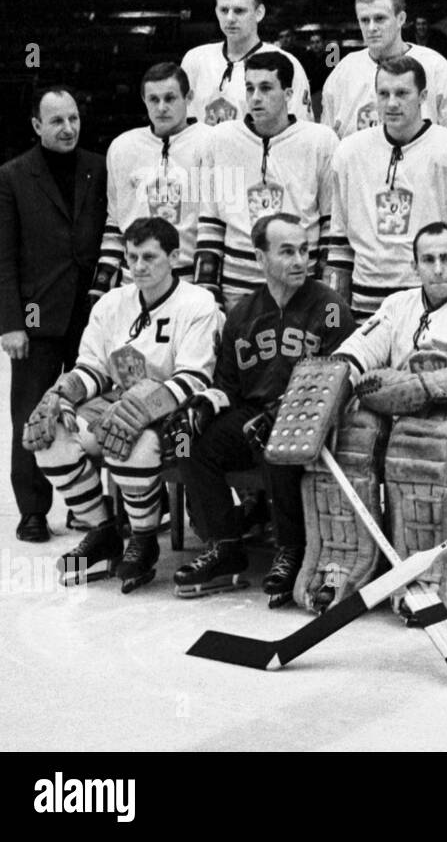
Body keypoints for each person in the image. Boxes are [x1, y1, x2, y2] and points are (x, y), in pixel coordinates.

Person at [319, 222, 447, 614]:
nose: (439, 268)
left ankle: (430, 577)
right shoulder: (398, 305)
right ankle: (349, 564)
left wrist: (434, 385)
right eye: (428, 260)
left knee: (424, 454)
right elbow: (356, 350)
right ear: (415, 266)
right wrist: (332, 387)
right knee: (347, 437)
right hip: (400, 417)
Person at [24, 218, 221, 592]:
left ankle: (144, 540)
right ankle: (103, 530)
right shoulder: (112, 303)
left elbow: (196, 377)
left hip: (171, 413)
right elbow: (93, 367)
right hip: (112, 404)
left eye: (150, 257)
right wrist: (63, 392)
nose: (139, 266)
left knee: (129, 446)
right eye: (132, 257)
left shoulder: (198, 303)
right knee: (50, 440)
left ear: (174, 256)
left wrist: (141, 406)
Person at [169, 215, 356, 605]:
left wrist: (283, 411)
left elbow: (342, 376)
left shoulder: (331, 307)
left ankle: (291, 549)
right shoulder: (241, 313)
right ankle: (224, 543)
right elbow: (227, 386)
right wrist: (203, 404)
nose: (300, 260)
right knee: (188, 440)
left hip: (311, 417)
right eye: (287, 251)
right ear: (260, 257)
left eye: (304, 250)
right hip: (251, 414)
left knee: (277, 440)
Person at [0, 85, 107, 543]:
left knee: (91, 411)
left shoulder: (98, 167)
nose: (68, 128)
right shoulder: (11, 177)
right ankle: (33, 511)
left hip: (92, 313)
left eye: (73, 118)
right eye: (56, 120)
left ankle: (88, 508)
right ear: (37, 126)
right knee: (31, 414)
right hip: (37, 316)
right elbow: (1, 258)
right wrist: (12, 323)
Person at [326, 55, 447, 321]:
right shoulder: (349, 152)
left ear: (422, 96)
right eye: (383, 94)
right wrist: (336, 315)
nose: (392, 103)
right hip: (366, 301)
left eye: (402, 93)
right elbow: (339, 243)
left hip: (434, 302)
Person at [196, 51, 338, 309]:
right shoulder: (221, 139)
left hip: (300, 287)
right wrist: (207, 293)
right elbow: (211, 222)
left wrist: (324, 291)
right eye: (249, 88)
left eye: (266, 88)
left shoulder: (321, 141)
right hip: (237, 289)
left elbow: (331, 224)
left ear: (288, 94)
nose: (255, 98)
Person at [96, 63, 211, 297]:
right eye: (153, 99)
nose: (162, 107)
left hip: (189, 281)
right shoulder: (122, 147)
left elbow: (217, 224)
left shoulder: (212, 142)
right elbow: (116, 222)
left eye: (170, 98)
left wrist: (209, 287)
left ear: (188, 97)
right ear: (143, 99)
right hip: (133, 282)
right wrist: (101, 285)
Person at [320, 0, 447, 136]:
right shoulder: (343, 71)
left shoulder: (436, 67)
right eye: (364, 20)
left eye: (380, 18)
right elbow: (329, 137)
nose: (371, 28)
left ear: (400, 19)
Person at [181, 0, 314, 126]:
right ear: (216, 11)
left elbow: (301, 131)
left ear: (259, 13)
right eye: (224, 10)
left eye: (239, 11)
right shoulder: (195, 59)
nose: (230, 18)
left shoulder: (286, 63)